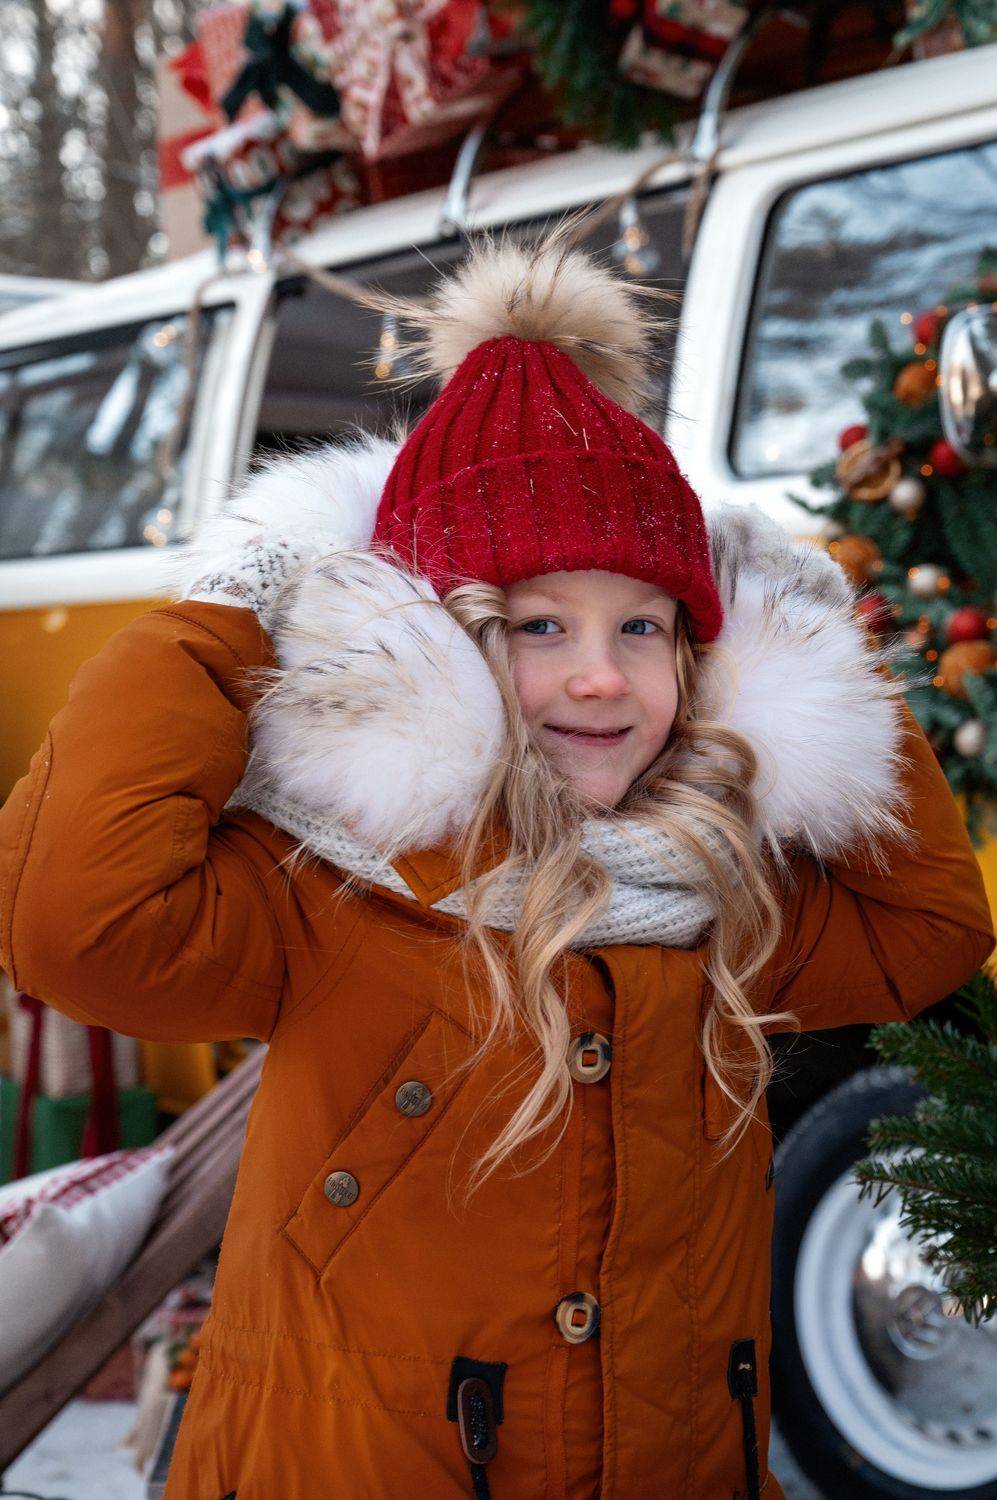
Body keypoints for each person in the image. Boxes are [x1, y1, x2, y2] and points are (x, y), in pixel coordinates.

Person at [0, 220, 992, 1500]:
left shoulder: (721, 897)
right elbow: (74, 923)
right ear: (440, 643)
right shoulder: (338, 886)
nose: (600, 675)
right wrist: (232, 611)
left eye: (643, 626)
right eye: (538, 626)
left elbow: (927, 929)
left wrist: (809, 635)